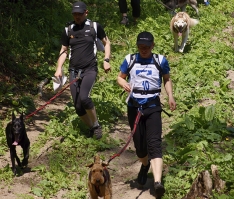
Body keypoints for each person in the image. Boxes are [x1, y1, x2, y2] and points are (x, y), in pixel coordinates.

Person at [117, 31, 176, 198]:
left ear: (153, 46)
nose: (143, 50)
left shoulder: (160, 61)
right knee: (141, 149)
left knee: (154, 143)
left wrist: (170, 95)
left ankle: (158, 183)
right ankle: (144, 165)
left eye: (147, 47)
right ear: (137, 46)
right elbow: (119, 77)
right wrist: (123, 83)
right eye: (141, 47)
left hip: (153, 107)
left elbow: (166, 79)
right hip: (134, 107)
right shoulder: (130, 59)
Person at [54, 1, 111, 139]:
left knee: (84, 97)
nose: (77, 16)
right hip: (74, 71)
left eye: (79, 14)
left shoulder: (94, 27)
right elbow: (64, 50)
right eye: (75, 14)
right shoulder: (68, 29)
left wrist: (106, 60)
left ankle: (96, 125)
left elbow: (107, 42)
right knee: (78, 106)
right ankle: (91, 127)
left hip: (90, 69)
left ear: (86, 13)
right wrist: (58, 68)